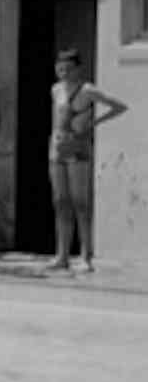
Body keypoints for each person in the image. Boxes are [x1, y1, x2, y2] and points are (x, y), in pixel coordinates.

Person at [47, 49, 128, 274]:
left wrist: (93, 123)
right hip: (57, 147)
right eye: (60, 68)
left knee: (80, 202)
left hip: (77, 147)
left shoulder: (87, 90)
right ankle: (62, 254)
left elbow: (118, 106)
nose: (63, 72)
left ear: (77, 68)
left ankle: (86, 255)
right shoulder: (55, 90)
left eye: (68, 68)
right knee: (60, 202)